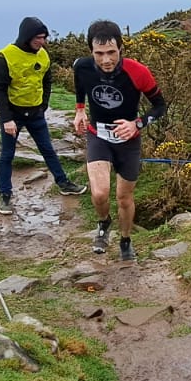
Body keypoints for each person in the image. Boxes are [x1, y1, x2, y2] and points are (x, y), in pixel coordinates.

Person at [73, 20, 168, 260]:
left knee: (124, 198)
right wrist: (80, 109)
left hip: (128, 140)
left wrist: (137, 123)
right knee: (100, 193)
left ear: (121, 48)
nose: (106, 60)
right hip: (98, 136)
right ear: (91, 52)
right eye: (99, 54)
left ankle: (125, 240)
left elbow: (160, 106)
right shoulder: (82, 67)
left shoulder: (138, 72)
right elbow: (80, 84)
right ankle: (104, 223)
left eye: (112, 53)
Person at [0, 16, 86, 215]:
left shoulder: (43, 55)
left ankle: (63, 183)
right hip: (13, 114)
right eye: (38, 38)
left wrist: (44, 105)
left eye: (44, 38)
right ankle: (5, 196)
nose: (42, 42)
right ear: (27, 37)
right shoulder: (5, 57)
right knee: (7, 155)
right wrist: (7, 119)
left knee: (48, 150)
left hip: (35, 112)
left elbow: (47, 80)